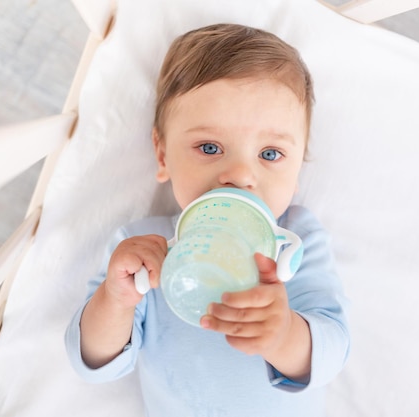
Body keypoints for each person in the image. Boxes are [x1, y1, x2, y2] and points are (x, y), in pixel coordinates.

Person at [65, 23, 349, 416]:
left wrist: (283, 335)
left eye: (269, 154)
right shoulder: (144, 249)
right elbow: (94, 363)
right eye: (210, 147)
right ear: (163, 156)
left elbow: (333, 352)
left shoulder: (297, 240)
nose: (240, 175)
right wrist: (116, 300)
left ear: (298, 167)